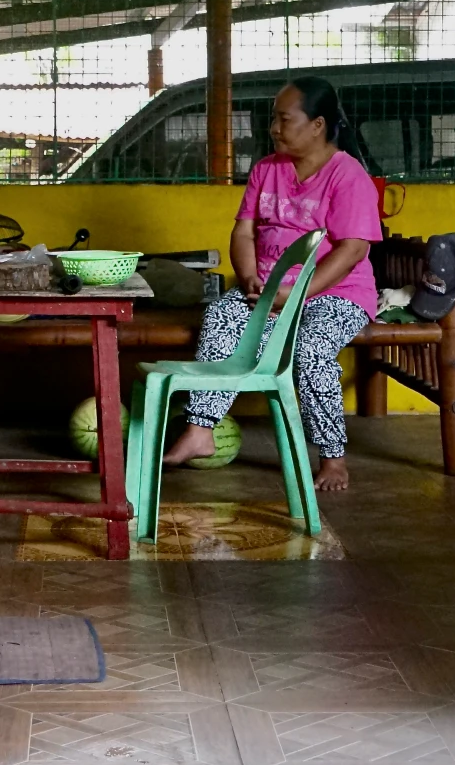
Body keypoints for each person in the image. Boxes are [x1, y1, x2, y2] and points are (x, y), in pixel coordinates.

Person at [163, 75, 382, 493]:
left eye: (284, 119)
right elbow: (244, 232)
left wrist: (295, 294)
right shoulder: (267, 169)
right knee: (223, 315)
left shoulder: (347, 176)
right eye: (274, 120)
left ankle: (333, 458)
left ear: (317, 125)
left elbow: (352, 250)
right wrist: (249, 279)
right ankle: (200, 430)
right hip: (268, 291)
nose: (274, 129)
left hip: (335, 294)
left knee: (312, 348)